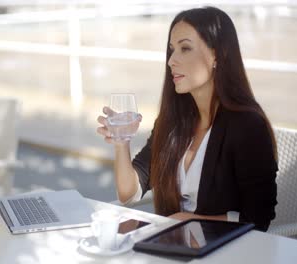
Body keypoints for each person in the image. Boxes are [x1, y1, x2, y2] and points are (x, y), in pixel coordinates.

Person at [97, 6, 278, 231]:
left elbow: (259, 219)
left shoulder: (247, 126)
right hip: (171, 246)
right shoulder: (173, 121)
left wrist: (192, 220)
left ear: (217, 55)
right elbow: (129, 194)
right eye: (172, 50)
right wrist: (121, 142)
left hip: (225, 250)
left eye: (185, 48)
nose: (171, 60)